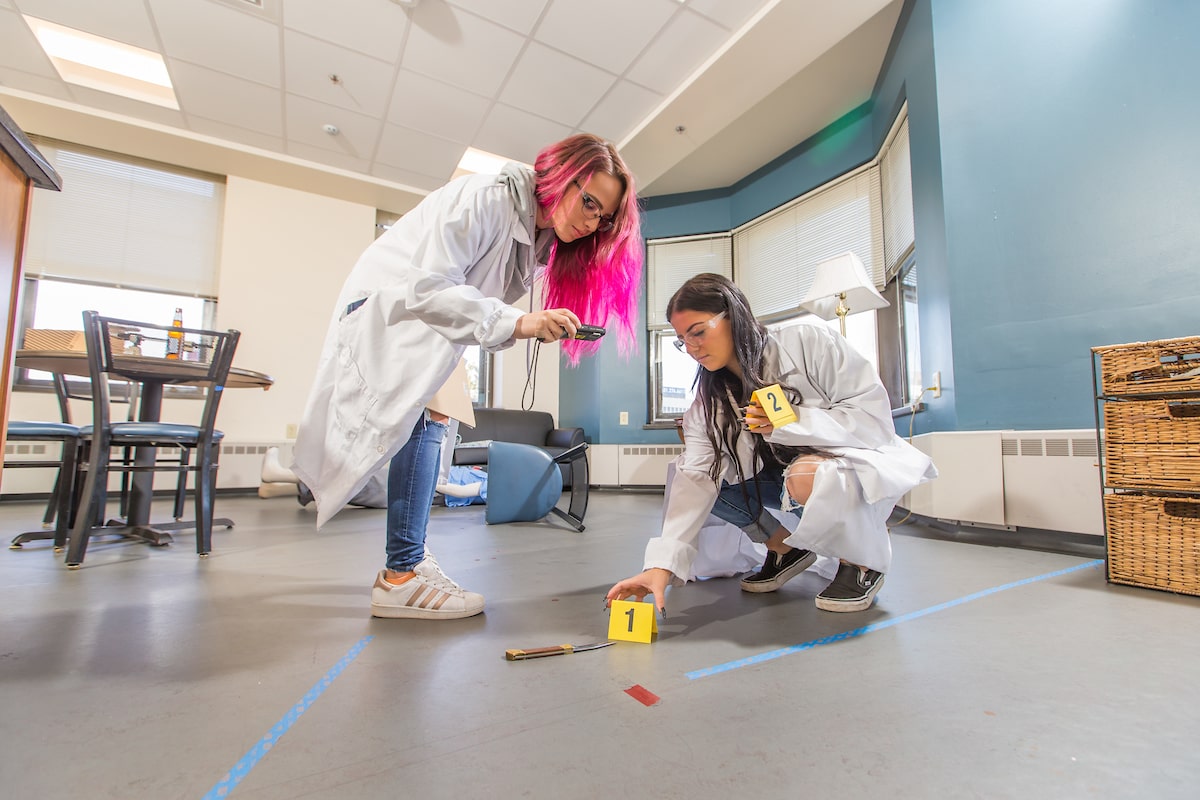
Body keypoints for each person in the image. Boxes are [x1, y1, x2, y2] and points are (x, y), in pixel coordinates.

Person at [293, 134, 642, 620]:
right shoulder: (488, 198)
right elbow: (428, 286)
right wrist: (519, 323)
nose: (592, 222)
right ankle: (401, 577)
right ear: (562, 175)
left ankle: (407, 561)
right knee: (422, 421)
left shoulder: (536, 239)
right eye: (589, 202)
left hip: (427, 322)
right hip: (392, 311)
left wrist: (517, 324)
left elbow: (467, 302)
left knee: (438, 415)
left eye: (603, 218)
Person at [606, 273, 936, 616]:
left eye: (698, 332)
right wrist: (660, 567)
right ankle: (784, 550)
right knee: (698, 478)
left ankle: (861, 563)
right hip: (781, 479)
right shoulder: (710, 400)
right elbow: (696, 476)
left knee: (805, 475)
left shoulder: (808, 342)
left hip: (838, 469)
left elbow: (873, 418)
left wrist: (795, 421)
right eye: (681, 341)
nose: (691, 349)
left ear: (733, 315)